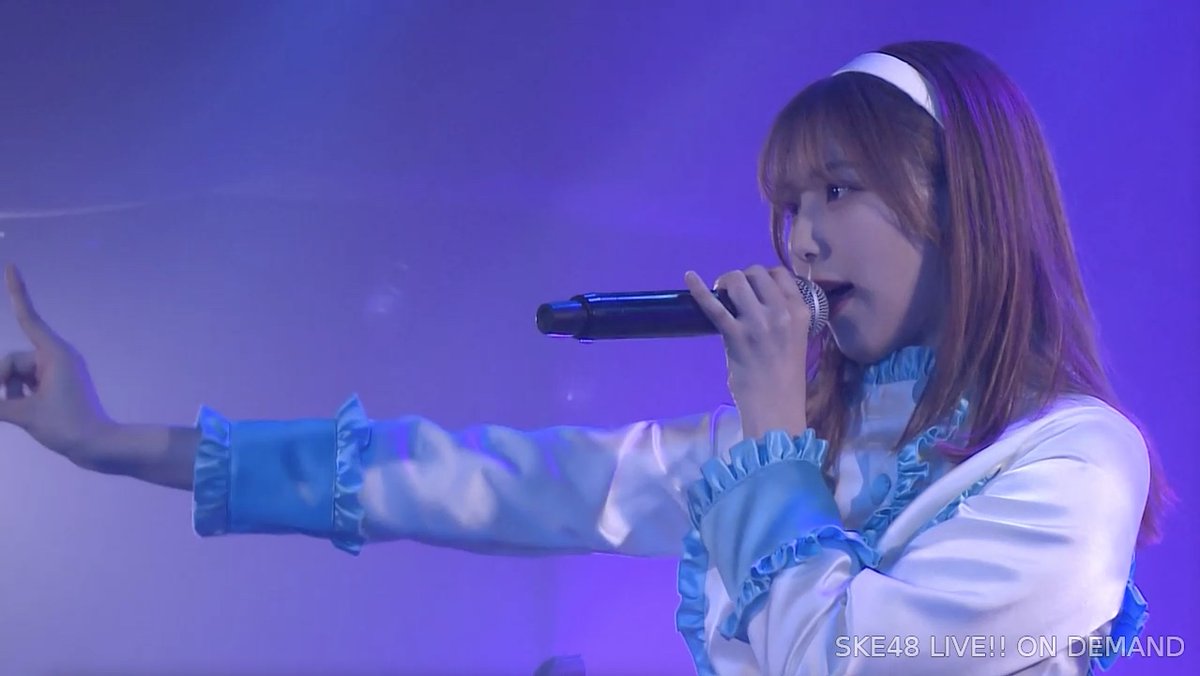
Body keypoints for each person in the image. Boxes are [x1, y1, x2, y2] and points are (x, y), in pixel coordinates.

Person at [0, 40, 1172, 675]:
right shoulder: (784, 447)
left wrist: (771, 439)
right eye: (788, 205)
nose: (800, 241)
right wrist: (107, 442)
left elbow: (841, 661)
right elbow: (475, 480)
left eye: (837, 190)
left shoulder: (1072, 459)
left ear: (962, 204)